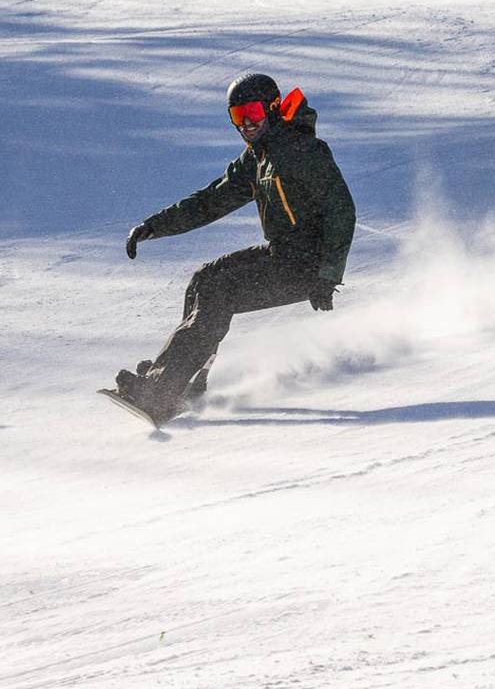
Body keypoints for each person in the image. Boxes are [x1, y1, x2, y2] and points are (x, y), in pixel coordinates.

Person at [103, 73, 356, 428]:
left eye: (252, 113)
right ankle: (188, 382)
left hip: (308, 266)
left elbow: (341, 210)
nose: (247, 124)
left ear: (272, 109)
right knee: (203, 280)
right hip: (283, 254)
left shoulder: (303, 152)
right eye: (238, 117)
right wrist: (154, 227)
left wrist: (328, 275)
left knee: (219, 292)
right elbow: (211, 201)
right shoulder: (258, 158)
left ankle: (161, 393)